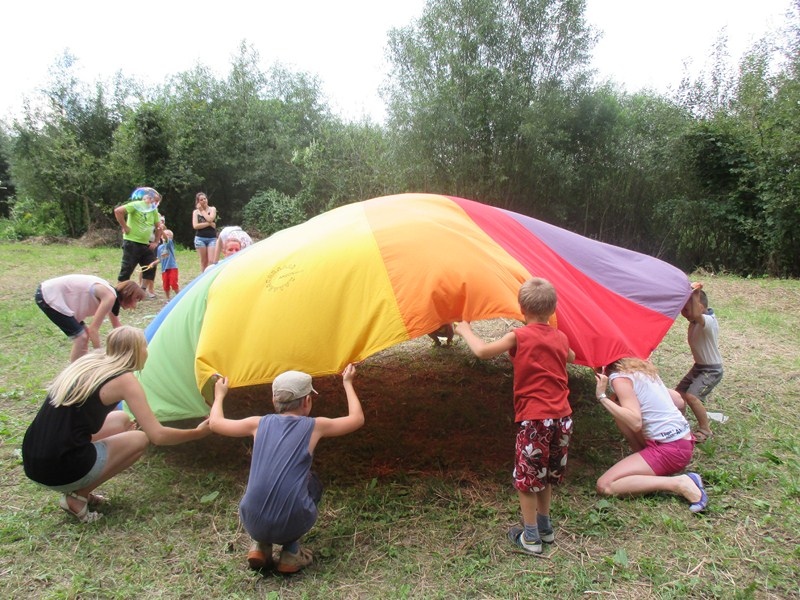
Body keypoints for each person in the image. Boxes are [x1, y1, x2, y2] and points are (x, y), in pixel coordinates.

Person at [22, 326, 212, 522]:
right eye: (145, 347)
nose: (147, 352)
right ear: (136, 351)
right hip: (60, 467)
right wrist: (197, 432)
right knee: (139, 439)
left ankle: (78, 485)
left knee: (122, 419)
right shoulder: (124, 380)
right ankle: (78, 497)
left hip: (34, 461)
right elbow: (158, 435)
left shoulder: (91, 363)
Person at [454, 277, 575, 555]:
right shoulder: (561, 337)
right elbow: (570, 356)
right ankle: (545, 528)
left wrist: (465, 330)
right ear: (553, 309)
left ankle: (530, 538)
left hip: (535, 420)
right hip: (562, 418)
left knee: (527, 480)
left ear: (521, 309)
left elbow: (483, 352)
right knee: (544, 476)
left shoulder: (518, 336)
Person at [209, 365, 365, 573]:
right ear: (307, 401)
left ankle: (260, 546)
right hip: (291, 523)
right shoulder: (315, 426)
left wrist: (219, 395)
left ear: (274, 400)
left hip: (252, 521)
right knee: (312, 483)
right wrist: (348, 383)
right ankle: (291, 552)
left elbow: (215, 423)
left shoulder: (257, 424)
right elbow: (357, 419)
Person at [594, 357, 708, 512]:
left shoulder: (619, 378)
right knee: (618, 406)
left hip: (670, 451)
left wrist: (602, 397)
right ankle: (646, 460)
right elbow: (678, 401)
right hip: (683, 441)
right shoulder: (640, 365)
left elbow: (635, 422)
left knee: (605, 485)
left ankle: (679, 483)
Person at [35, 274, 146, 362]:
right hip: (48, 294)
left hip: (55, 294)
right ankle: (74, 375)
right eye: (136, 299)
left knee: (84, 335)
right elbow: (94, 330)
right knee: (81, 337)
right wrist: (101, 357)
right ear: (128, 294)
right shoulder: (109, 297)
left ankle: (82, 368)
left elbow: (117, 327)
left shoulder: (112, 297)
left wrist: (134, 345)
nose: (135, 305)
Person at [675, 283, 723, 442]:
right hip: (699, 367)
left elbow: (696, 313)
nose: (684, 313)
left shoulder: (708, 322)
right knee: (678, 394)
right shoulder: (695, 322)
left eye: (686, 310)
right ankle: (678, 423)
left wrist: (695, 292)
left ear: (701, 307)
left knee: (692, 396)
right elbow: (694, 313)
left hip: (711, 369)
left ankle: (705, 429)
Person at [114, 187, 164, 299]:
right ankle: (118, 294)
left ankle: (142, 290)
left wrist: (156, 241)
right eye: (155, 200)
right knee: (127, 269)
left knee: (151, 266)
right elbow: (118, 211)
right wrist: (125, 227)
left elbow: (158, 226)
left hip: (146, 243)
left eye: (157, 201)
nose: (156, 203)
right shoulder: (136, 205)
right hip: (132, 242)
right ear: (148, 198)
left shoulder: (153, 210)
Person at [192, 192, 217, 272]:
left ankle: (211, 276)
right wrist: (210, 224)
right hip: (200, 239)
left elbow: (210, 219)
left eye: (205, 199)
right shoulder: (195, 212)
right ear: (198, 202)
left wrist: (202, 210)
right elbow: (195, 226)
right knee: (204, 261)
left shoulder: (212, 209)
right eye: (201, 200)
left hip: (212, 238)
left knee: (211, 261)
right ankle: (203, 277)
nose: (204, 200)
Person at [156, 228, 180, 300]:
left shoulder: (170, 244)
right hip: (164, 269)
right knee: (165, 285)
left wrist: (162, 231)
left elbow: (166, 239)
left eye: (168, 235)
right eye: (164, 234)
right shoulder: (159, 247)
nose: (165, 235)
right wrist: (153, 263)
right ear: (161, 237)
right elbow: (160, 258)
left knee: (173, 283)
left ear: (171, 238)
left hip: (172, 267)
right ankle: (168, 299)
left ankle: (180, 297)